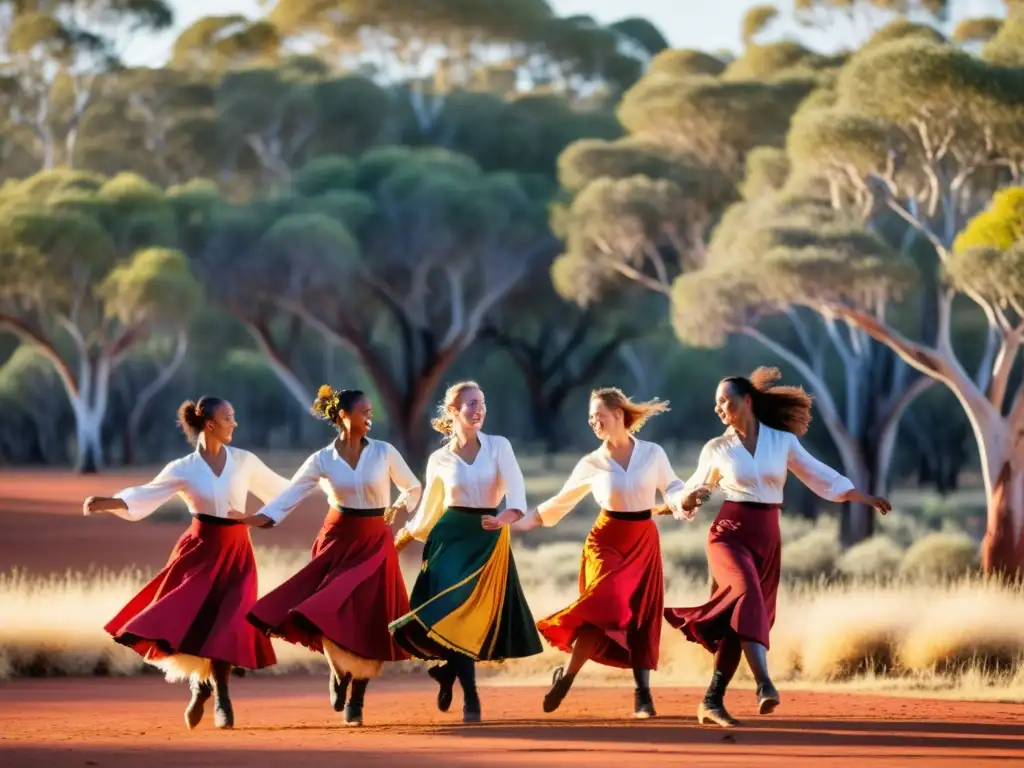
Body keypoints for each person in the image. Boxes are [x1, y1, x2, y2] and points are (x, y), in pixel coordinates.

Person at [664, 368, 891, 728]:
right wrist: (688, 498)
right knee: (746, 595)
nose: (719, 408)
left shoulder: (781, 441)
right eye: (716, 403)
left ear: (748, 400)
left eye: (726, 400)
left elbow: (819, 475)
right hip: (728, 533)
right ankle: (764, 683)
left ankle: (711, 701)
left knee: (742, 620)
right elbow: (686, 493)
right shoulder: (717, 448)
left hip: (767, 536)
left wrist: (860, 495)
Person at [82, 397, 291, 731]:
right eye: (228, 417)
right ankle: (201, 687)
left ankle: (222, 697)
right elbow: (147, 494)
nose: (234, 423)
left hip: (238, 553)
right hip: (199, 552)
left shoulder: (245, 461)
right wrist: (109, 502)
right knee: (198, 625)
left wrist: (327, 484)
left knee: (230, 625)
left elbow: (284, 492)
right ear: (209, 424)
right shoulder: (183, 468)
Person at [243, 386, 422, 726]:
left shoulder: (384, 452)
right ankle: (338, 671)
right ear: (343, 416)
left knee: (372, 619)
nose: (370, 417)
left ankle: (357, 700)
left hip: (375, 542)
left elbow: (413, 487)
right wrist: (260, 519)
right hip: (337, 539)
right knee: (324, 608)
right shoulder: (322, 459)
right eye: (364, 411)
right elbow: (290, 494)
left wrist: (399, 505)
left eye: (371, 411)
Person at [513, 387, 687, 719]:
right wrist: (517, 524)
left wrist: (685, 500)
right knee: (604, 603)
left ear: (619, 414)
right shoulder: (591, 463)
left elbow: (674, 488)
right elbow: (560, 503)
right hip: (605, 540)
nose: (594, 422)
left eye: (600, 416)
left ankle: (642, 695)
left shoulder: (653, 453)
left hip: (643, 540)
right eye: (591, 418)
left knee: (640, 616)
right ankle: (567, 679)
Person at [388, 381, 543, 724]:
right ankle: (471, 697)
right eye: (471, 404)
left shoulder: (499, 447)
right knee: (453, 612)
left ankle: (448, 674)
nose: (479, 409)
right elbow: (430, 507)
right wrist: (404, 536)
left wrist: (505, 516)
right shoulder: (438, 458)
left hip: (489, 538)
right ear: (454, 412)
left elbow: (516, 490)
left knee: (468, 619)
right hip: (450, 538)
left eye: (482, 403)